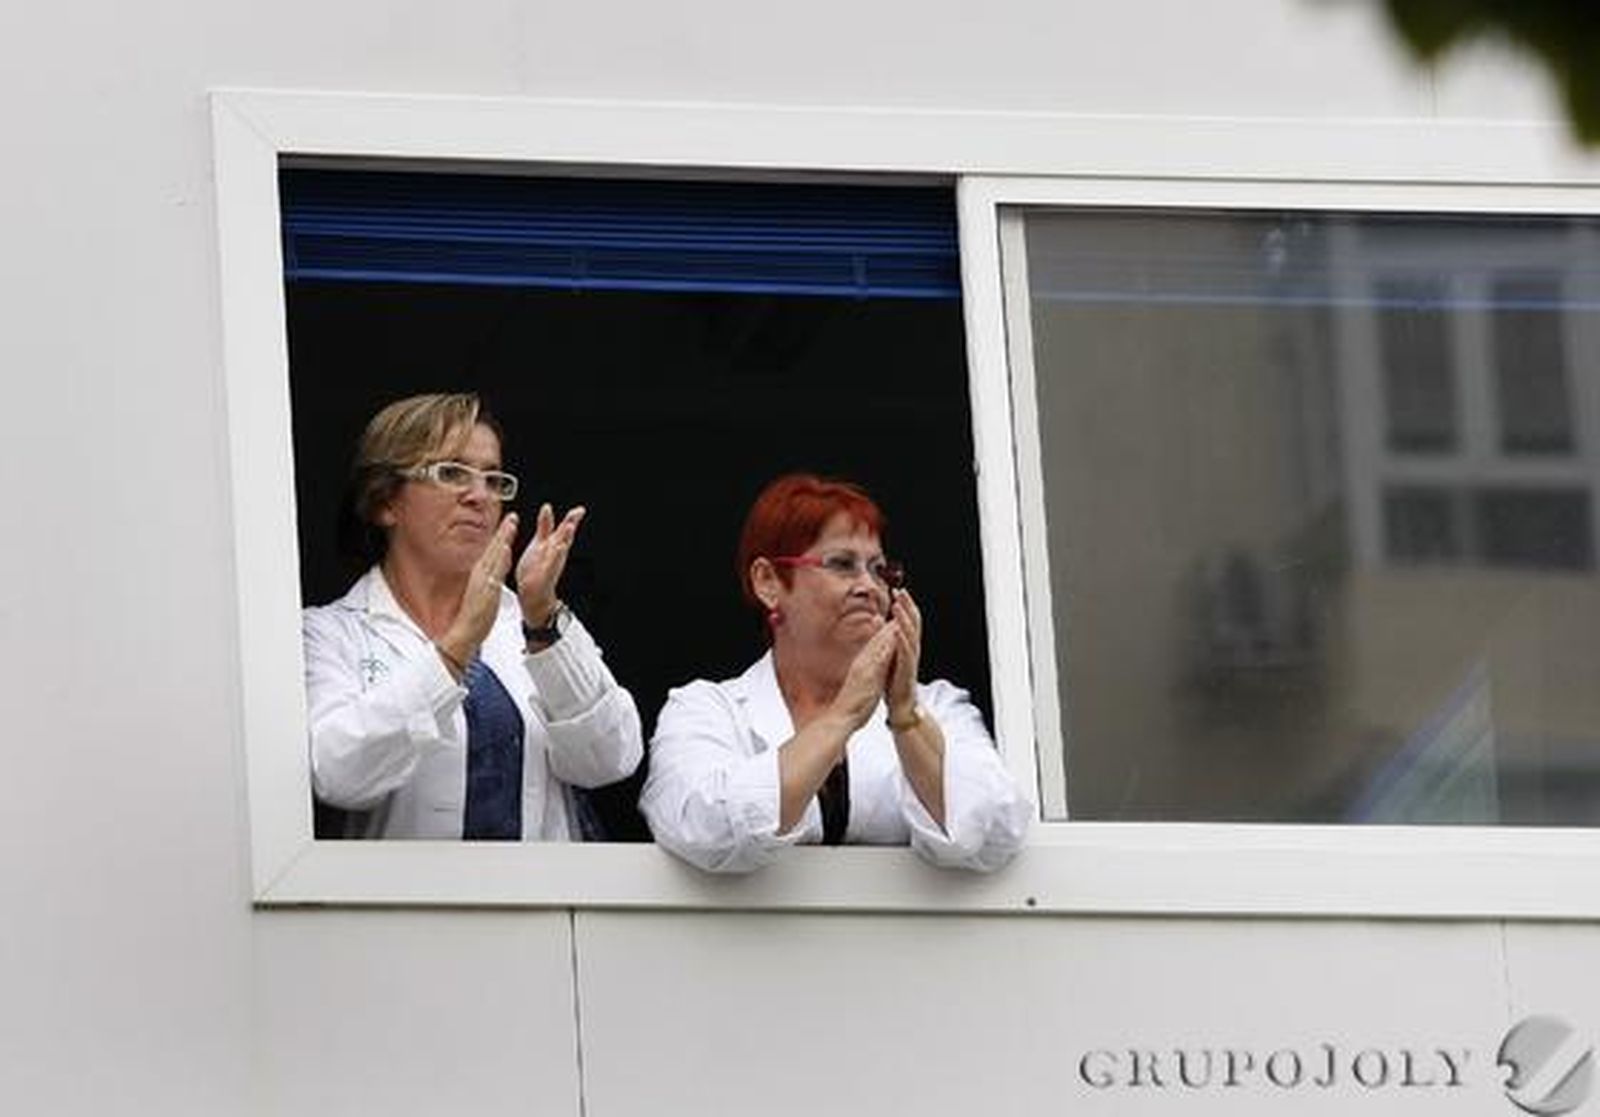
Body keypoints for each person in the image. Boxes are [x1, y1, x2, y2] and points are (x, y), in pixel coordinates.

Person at [641, 473, 1029, 871]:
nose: (869, 586)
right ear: (768, 582)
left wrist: (904, 712)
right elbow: (702, 830)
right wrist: (843, 715)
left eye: (880, 570)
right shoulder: (706, 708)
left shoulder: (938, 708)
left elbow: (995, 835)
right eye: (843, 565)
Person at [303, 392, 642, 839]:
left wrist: (542, 620)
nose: (479, 496)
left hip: (537, 904)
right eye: (451, 473)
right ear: (385, 502)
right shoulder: (327, 633)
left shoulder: (531, 622)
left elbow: (612, 758)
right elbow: (339, 775)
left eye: (493, 479)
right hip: (402, 907)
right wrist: (456, 648)